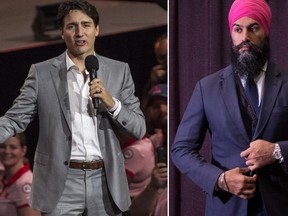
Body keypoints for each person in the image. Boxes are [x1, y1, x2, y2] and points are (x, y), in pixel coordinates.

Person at [0, 0, 146, 215]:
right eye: (71, 26)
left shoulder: (119, 70)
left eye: (86, 25)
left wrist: (111, 103)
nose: (80, 32)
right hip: (60, 183)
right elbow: (15, 119)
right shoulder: (41, 73)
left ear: (97, 29)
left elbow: (139, 127)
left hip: (106, 180)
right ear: (62, 32)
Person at [171, 0, 288, 215]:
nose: (245, 38)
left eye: (253, 28)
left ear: (266, 31)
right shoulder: (207, 87)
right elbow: (181, 150)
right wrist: (220, 179)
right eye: (238, 29)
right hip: (226, 207)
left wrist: (277, 151)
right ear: (231, 33)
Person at [128, 84, 168, 216]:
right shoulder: (144, 148)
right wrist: (153, 185)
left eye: (166, 103)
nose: (162, 109)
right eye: (155, 106)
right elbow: (136, 212)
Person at [0, 133, 40, 216]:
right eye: (2, 146)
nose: (7, 151)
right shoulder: (5, 179)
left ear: (23, 150)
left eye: (13, 147)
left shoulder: (25, 183)